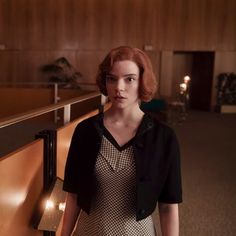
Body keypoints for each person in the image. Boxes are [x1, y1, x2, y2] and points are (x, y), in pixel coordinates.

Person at [61, 46, 182, 236]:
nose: (119, 87)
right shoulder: (85, 131)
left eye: (129, 79)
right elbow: (73, 195)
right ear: (105, 81)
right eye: (112, 78)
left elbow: (168, 207)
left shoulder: (163, 137)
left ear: (142, 81)